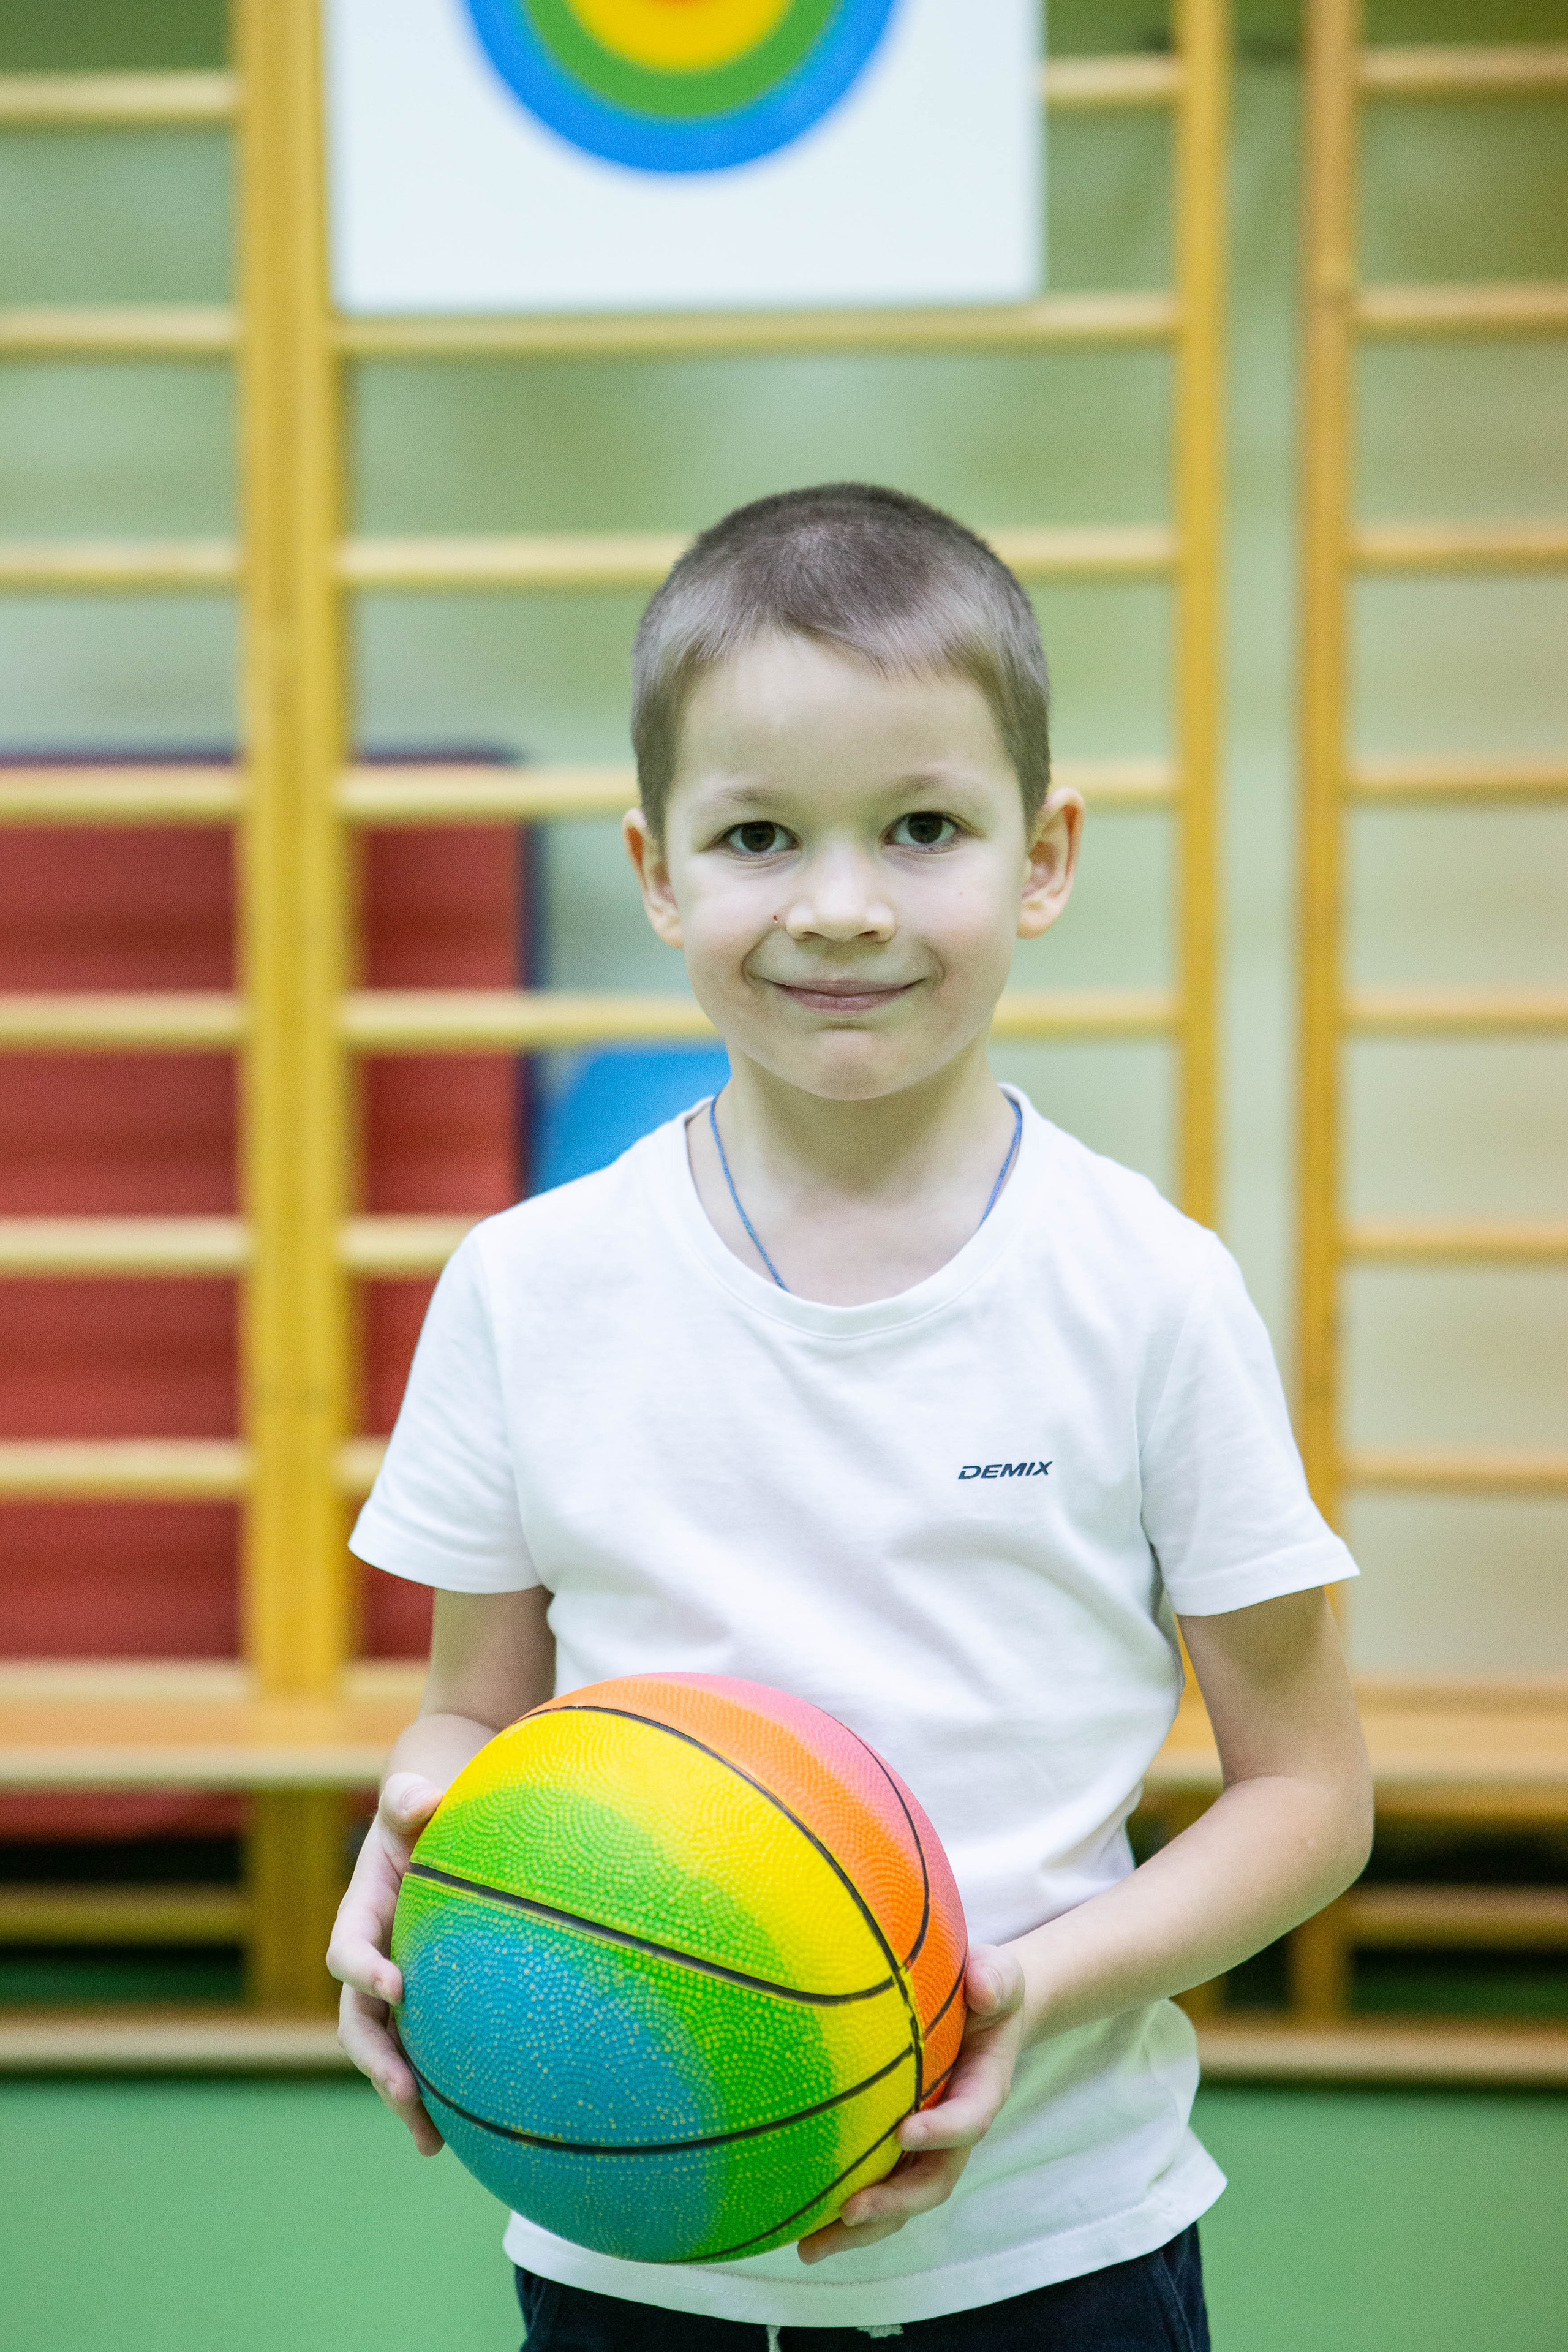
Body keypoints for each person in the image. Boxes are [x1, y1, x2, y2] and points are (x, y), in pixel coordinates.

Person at [330, 483, 1373, 2348]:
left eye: (921, 828)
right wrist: (415, 1855)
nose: (839, 904)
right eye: (755, 835)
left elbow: (1307, 1794)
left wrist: (1021, 1989)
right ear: (655, 870)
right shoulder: (529, 1286)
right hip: (629, 2222)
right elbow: (466, 1715)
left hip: (1058, 2240)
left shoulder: (1148, 1290)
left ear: (1042, 855)